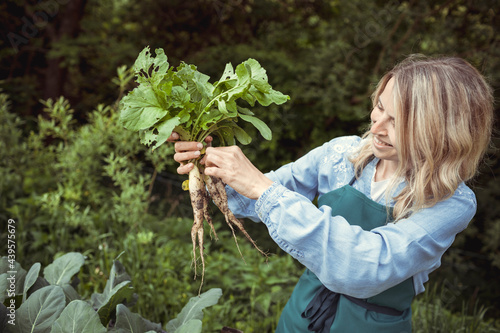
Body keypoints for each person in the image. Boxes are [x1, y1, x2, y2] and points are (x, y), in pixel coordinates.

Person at [169, 55, 494, 332]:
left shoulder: (451, 202)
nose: (377, 125)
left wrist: (261, 187)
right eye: (379, 107)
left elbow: (367, 266)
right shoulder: (341, 154)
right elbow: (246, 202)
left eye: (397, 122)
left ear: (439, 132)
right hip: (303, 314)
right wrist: (209, 166)